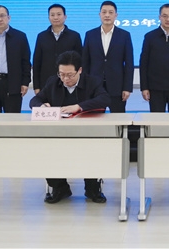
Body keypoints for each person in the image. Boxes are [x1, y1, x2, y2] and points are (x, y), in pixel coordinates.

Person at [30, 51, 111, 204]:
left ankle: (92, 189)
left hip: (87, 134)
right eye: (61, 74)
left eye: (70, 75)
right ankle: (60, 188)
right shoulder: (53, 82)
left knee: (92, 151)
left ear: (79, 70)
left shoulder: (92, 82)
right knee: (47, 150)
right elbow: (35, 100)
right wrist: (42, 106)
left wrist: (78, 106)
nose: (65, 79)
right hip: (58, 134)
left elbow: (105, 99)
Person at [82, 1, 134, 113]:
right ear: (99, 14)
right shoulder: (90, 34)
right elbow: (85, 62)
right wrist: (85, 85)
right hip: (94, 86)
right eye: (104, 12)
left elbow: (129, 63)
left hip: (117, 87)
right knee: (95, 118)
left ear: (116, 15)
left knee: (118, 119)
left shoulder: (124, 35)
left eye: (110, 12)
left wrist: (127, 88)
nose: (107, 15)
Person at [32, 4, 82, 94]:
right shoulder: (41, 36)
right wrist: (36, 86)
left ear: (65, 17)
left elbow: (80, 61)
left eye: (59, 14)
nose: (55, 17)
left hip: (69, 82)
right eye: (52, 15)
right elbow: (37, 62)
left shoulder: (74, 36)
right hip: (46, 82)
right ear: (48, 17)